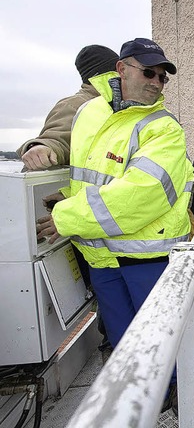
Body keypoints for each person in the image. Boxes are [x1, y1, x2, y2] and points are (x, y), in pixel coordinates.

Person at [35, 37, 193, 415]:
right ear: (121, 69)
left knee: (158, 346)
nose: (157, 82)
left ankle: (170, 402)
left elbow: (141, 195)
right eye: (149, 72)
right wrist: (44, 149)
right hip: (100, 255)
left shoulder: (164, 127)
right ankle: (137, 406)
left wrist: (67, 217)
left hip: (148, 258)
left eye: (163, 77)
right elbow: (80, 166)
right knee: (124, 341)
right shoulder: (88, 111)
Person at [18, 44, 119, 362]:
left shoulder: (110, 104)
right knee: (110, 303)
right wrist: (40, 146)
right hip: (91, 226)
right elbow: (56, 136)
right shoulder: (80, 104)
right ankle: (113, 357)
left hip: (106, 220)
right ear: (107, 70)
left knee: (115, 300)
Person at [17, 45, 119, 170]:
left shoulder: (114, 105)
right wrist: (43, 147)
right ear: (108, 74)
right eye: (119, 70)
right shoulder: (76, 104)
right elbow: (57, 138)